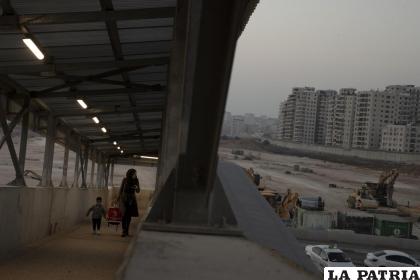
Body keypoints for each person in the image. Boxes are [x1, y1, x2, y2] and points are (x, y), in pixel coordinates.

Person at [118, 169, 140, 237]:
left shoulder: (136, 180)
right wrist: (118, 198)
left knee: (129, 216)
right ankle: (124, 230)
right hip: (124, 199)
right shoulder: (125, 180)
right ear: (130, 174)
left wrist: (136, 188)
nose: (135, 175)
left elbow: (138, 191)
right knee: (124, 215)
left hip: (131, 200)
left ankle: (127, 230)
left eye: (135, 174)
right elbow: (121, 189)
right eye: (134, 173)